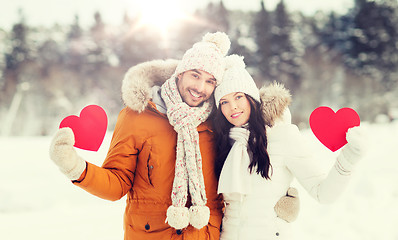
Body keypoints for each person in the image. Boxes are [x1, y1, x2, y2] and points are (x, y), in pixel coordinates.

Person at [49, 32, 299, 240]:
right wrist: (75, 168)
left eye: (210, 81)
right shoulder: (138, 115)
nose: (200, 88)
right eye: (195, 75)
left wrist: (276, 206)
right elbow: (116, 184)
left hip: (205, 235)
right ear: (180, 73)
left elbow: (246, 169)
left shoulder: (218, 121)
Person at [212, 55, 368, 240]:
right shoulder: (224, 144)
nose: (233, 107)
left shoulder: (282, 136)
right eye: (224, 102)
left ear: (252, 99)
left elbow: (323, 194)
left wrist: (349, 157)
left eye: (239, 97)